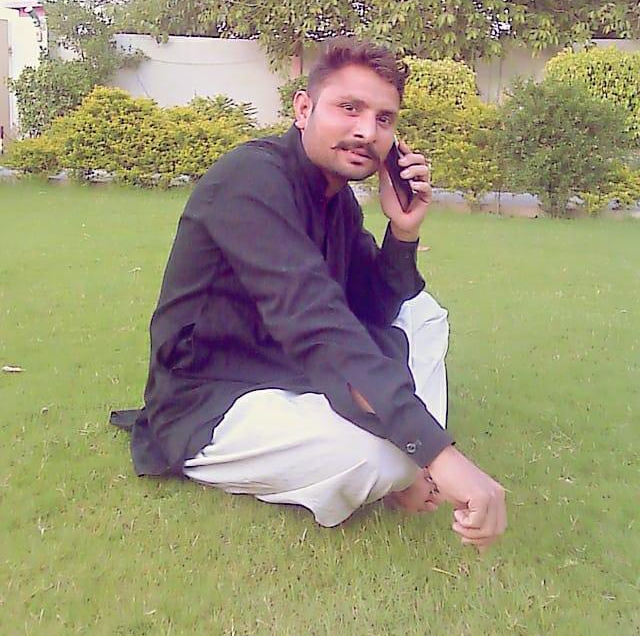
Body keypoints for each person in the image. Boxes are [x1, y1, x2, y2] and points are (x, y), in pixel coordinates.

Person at [111, 37, 506, 550]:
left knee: (423, 313)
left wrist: (404, 231)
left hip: (284, 370)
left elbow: (372, 308)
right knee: (380, 458)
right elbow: (317, 321)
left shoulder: (336, 200)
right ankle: (396, 456)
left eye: (384, 119)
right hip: (211, 397)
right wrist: (437, 453)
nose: (367, 131)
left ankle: (397, 443)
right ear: (303, 109)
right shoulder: (249, 180)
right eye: (349, 108)